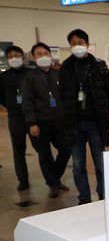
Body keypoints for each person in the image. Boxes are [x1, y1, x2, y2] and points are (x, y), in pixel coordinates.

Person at [59, 29, 109, 204]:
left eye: (81, 42)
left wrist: (102, 108)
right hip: (75, 124)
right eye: (74, 43)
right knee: (78, 165)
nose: (77, 46)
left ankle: (103, 194)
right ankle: (84, 197)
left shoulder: (99, 65)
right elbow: (62, 95)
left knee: (100, 164)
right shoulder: (66, 67)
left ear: (87, 44)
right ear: (70, 45)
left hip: (95, 123)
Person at [21, 42, 72, 198]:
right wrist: (32, 123)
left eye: (46, 53)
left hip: (58, 122)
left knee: (66, 150)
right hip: (40, 123)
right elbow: (27, 102)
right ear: (34, 59)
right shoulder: (29, 78)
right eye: (39, 54)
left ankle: (54, 178)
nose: (43, 57)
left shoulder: (57, 74)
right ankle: (53, 184)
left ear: (51, 55)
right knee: (44, 155)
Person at [0, 45, 36, 191]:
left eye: (16, 55)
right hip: (15, 117)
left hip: (32, 116)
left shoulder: (31, 73)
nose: (14, 58)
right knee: (18, 151)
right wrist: (10, 105)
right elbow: (1, 96)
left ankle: (52, 179)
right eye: (10, 56)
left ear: (23, 57)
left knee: (42, 148)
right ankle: (23, 180)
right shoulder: (3, 76)